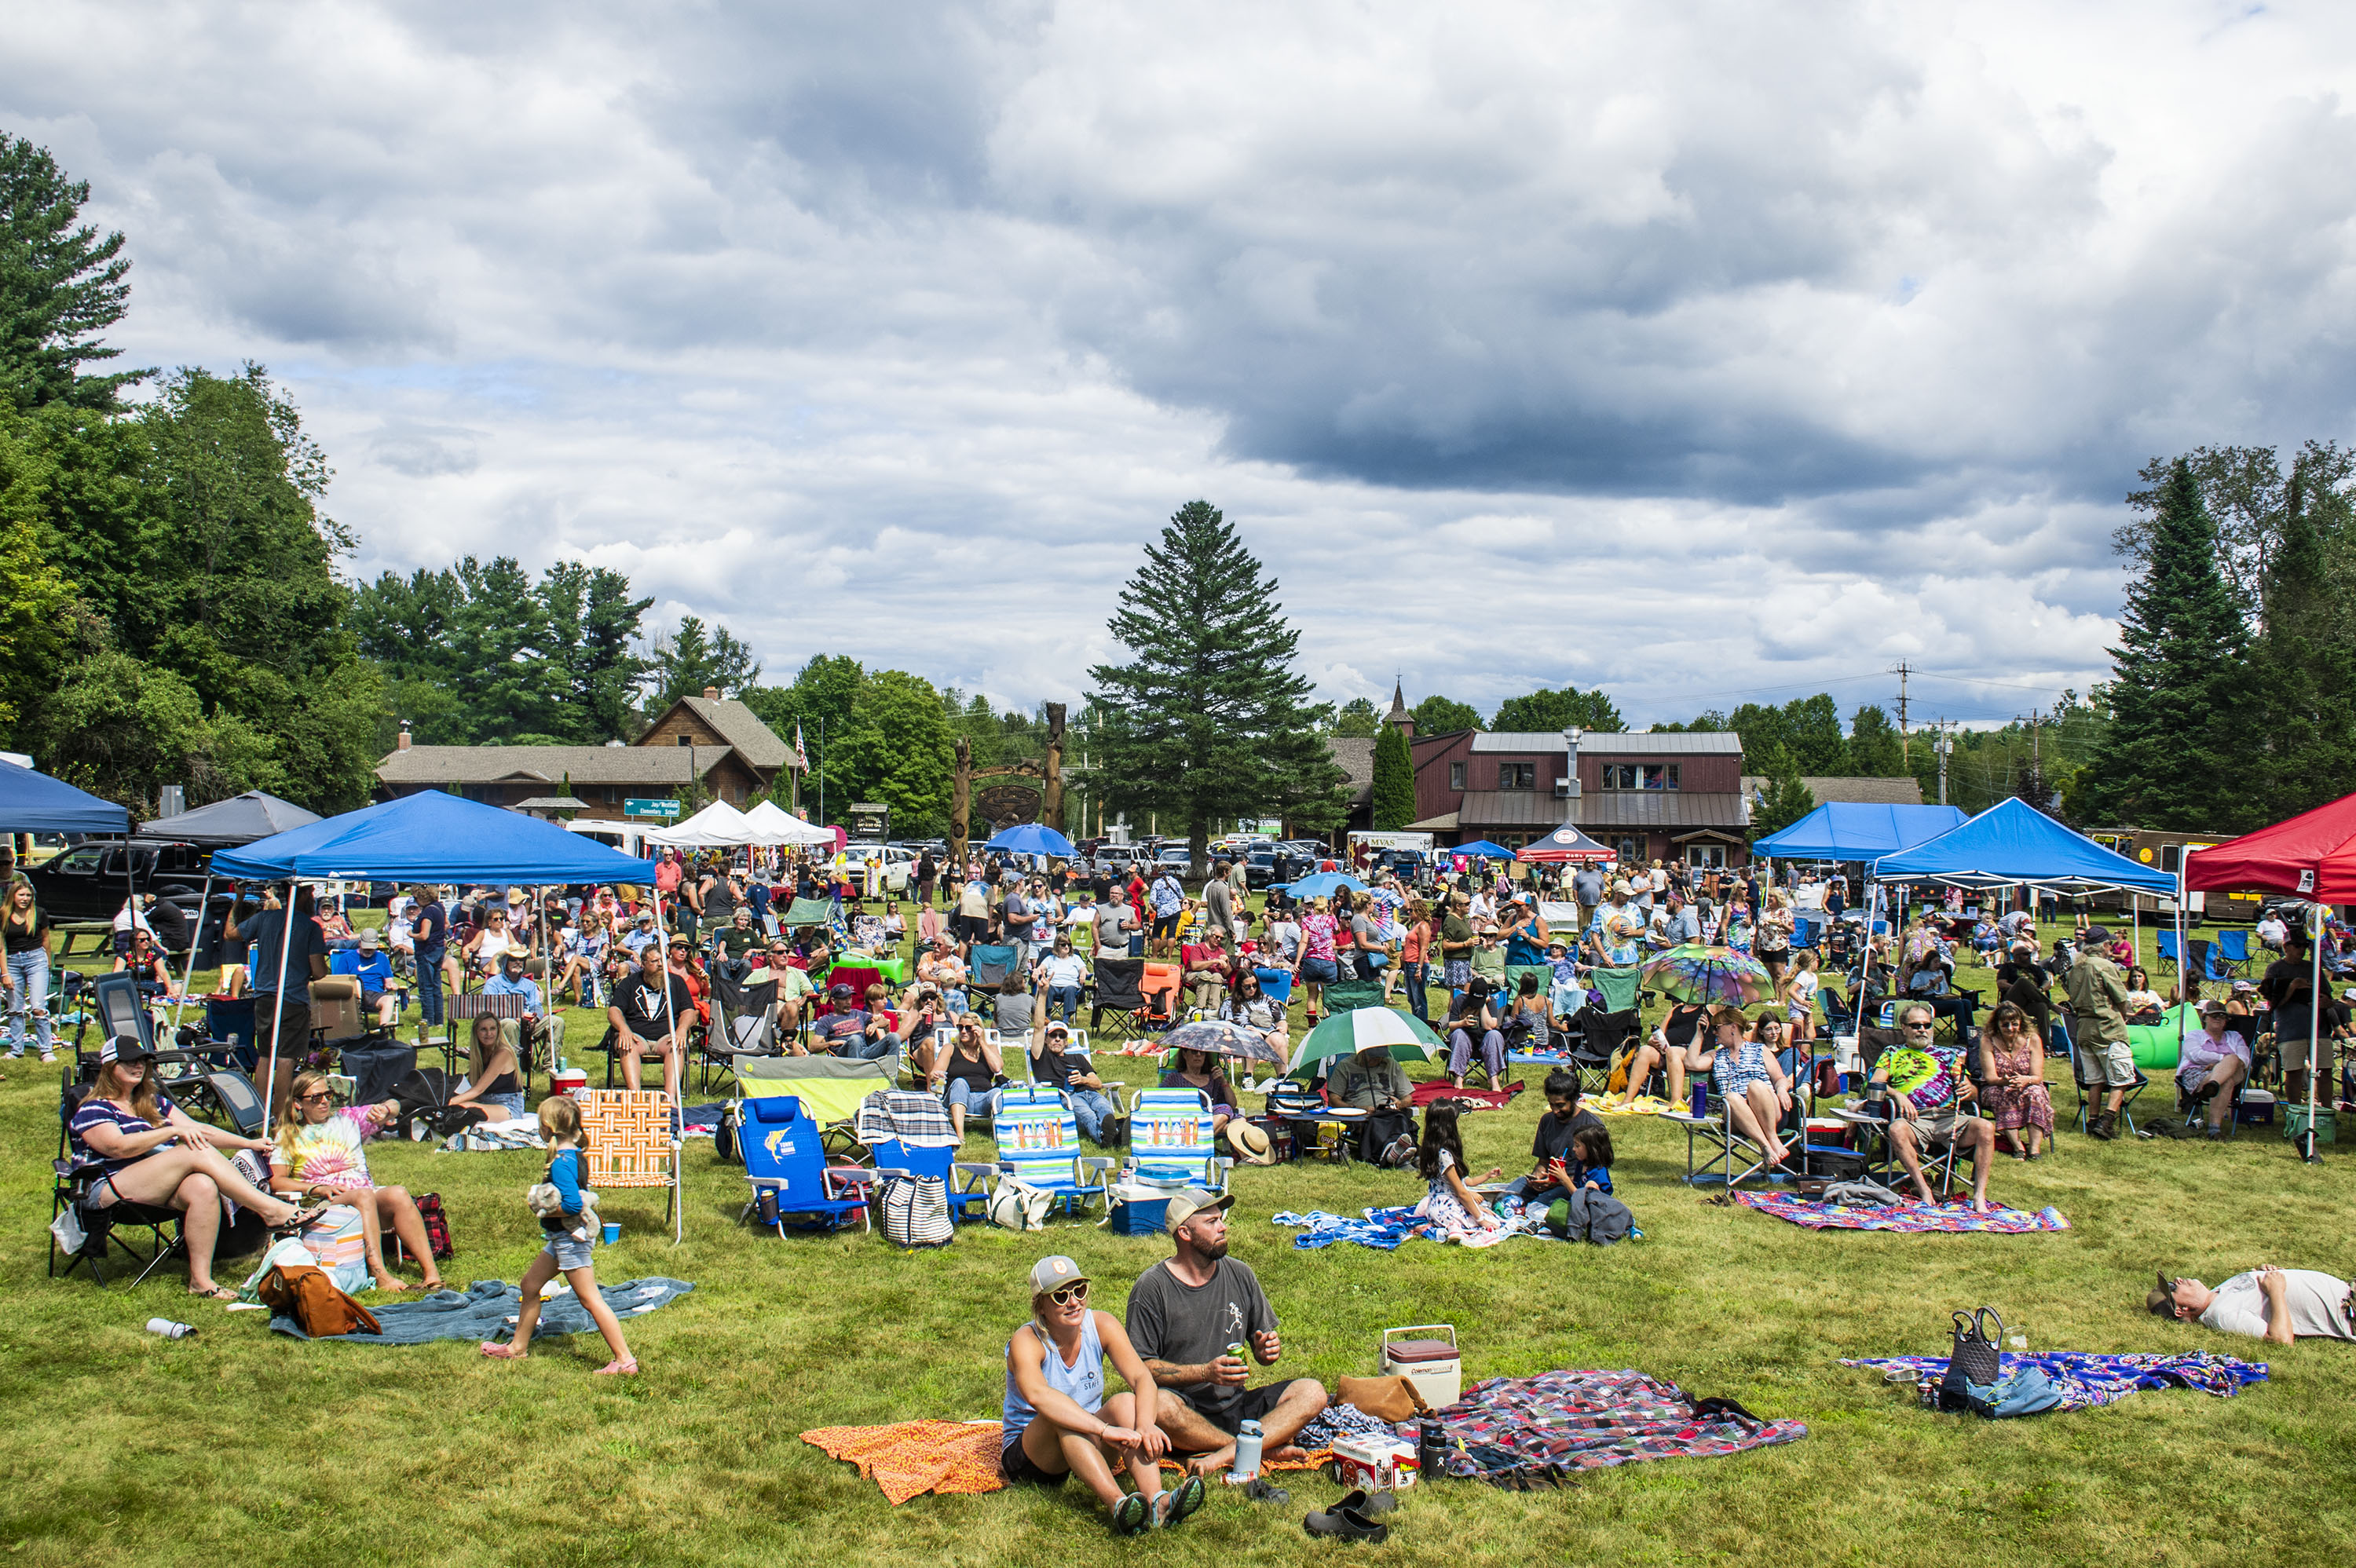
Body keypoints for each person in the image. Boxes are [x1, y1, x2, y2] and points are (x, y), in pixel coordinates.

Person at [68, 1034, 319, 1300]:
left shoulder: (151, 1104)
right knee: (190, 1151)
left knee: (202, 1185)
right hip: (105, 1190)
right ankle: (269, 1209)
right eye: (129, 1061)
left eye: (143, 1060)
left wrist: (250, 1143)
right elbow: (116, 1147)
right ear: (109, 1067)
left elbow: (199, 1131)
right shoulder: (94, 1109)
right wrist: (169, 1132)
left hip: (152, 1188)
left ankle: (201, 1281)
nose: (138, 1066)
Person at [1125, 1190, 1329, 1478]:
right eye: (1211, 1222)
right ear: (1184, 1233)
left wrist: (1266, 1351)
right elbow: (1142, 1370)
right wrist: (1205, 1373)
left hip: (1237, 1406)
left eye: (1221, 1219)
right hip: (1185, 1412)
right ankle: (1257, 1449)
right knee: (1155, 1404)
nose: (1223, 1227)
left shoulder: (1240, 1274)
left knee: (1312, 1392)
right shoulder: (1151, 1288)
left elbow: (1263, 1351)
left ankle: (1227, 1453)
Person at [1004, 1255, 1193, 1535]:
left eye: (1079, 1290)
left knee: (1127, 1403)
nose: (1073, 1301)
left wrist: (1145, 1425)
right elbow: (1038, 1396)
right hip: (1032, 1455)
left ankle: (1157, 1501)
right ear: (1040, 1305)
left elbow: (1143, 1378)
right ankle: (1118, 1505)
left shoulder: (1101, 1324)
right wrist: (1104, 1431)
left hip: (1086, 1443)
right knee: (1061, 1416)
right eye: (1060, 1295)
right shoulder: (1027, 1341)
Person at [480, 1095, 638, 1375]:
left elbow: (573, 1204)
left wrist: (542, 1210)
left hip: (570, 1240)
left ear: (546, 1127)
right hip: (562, 1239)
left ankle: (624, 1360)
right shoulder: (574, 1154)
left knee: (590, 1299)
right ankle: (517, 1348)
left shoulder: (562, 1163)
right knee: (529, 1285)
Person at [268, 1069, 443, 1292]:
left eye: (328, 1095)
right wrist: (317, 1187)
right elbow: (278, 1182)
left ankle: (431, 1275)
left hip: (365, 1199)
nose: (324, 1102)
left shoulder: (348, 1119)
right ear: (298, 1103)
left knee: (398, 1193)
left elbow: (398, 1105)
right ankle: (380, 1274)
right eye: (316, 1097)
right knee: (363, 1195)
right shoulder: (289, 1135)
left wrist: (386, 1109)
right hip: (324, 1205)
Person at [1871, 1003, 1997, 1212]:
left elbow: (1973, 1094)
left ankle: (1979, 1196)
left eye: (1926, 1025)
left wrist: (1970, 1089)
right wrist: (1899, 1095)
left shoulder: (1949, 1056)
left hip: (1950, 1117)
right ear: (1903, 1028)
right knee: (1896, 1129)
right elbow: (1875, 1083)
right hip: (1915, 1119)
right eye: (1915, 1025)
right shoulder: (1892, 1053)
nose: (1922, 1029)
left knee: (1985, 1127)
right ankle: (1924, 1190)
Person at [242, 884, 331, 1106]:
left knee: (265, 1056)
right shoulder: (310, 927)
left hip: (264, 997)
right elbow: (319, 971)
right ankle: (281, 1115)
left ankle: (260, 1113)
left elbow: (231, 933)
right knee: (285, 1058)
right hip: (292, 998)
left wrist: (238, 899)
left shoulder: (265, 918)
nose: (313, 899)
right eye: (310, 893)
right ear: (300, 895)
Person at [2147, 1266, 2354, 1344]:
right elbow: (2280, 1340)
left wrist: (2265, 1272)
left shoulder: (2218, 1293)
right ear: (2180, 1309)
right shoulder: (2221, 1315)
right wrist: (2276, 1291)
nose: (2179, 1279)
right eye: (2173, 1287)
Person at [2063, 929, 2137, 1140]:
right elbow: (2120, 997)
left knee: (2095, 1079)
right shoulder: (2105, 966)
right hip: (2108, 1028)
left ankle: (2093, 1119)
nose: (2112, 948)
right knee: (2122, 1078)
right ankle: (2107, 1121)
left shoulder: (2076, 967)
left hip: (2084, 1028)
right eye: (2110, 945)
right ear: (2104, 945)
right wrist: (2124, 1014)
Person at [608, 943, 692, 1099]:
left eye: (662, 960)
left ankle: (670, 1098)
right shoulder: (630, 983)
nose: (660, 964)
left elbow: (689, 1011)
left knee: (677, 1044)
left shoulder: (676, 982)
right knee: (627, 1044)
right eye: (654, 961)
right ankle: (635, 1097)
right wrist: (623, 1029)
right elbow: (614, 1010)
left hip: (666, 1037)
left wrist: (682, 1029)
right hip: (636, 1036)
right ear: (644, 964)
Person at [1711, 1013, 1795, 1168]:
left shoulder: (1759, 1050)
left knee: (1756, 1085)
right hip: (1737, 1116)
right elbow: (1692, 1062)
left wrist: (1782, 1089)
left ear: (1733, 1028)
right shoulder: (1717, 1055)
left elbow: (1779, 1078)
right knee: (1731, 1098)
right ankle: (1766, 1146)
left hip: (1768, 1110)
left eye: (1716, 1028)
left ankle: (1772, 1138)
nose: (1714, 1032)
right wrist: (1698, 1032)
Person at [1512, 1069, 1605, 1205]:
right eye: (1551, 1104)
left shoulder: (1592, 1126)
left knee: (1537, 1206)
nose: (1555, 1110)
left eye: (1560, 1105)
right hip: (1551, 1182)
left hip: (1573, 1187)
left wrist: (1558, 1182)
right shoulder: (1547, 1121)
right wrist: (1538, 1177)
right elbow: (1543, 1162)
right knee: (1508, 1197)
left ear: (1574, 1099)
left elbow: (1594, 1175)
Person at [1976, 1000, 2054, 1159]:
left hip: (2028, 1084)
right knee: (2002, 1093)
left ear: (2021, 1024)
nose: (2010, 1028)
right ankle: (2018, 1147)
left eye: (2014, 1024)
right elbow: (1991, 1077)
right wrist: (2004, 1082)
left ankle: (2034, 1150)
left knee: (2036, 1093)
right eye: (2005, 1025)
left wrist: (2025, 1080)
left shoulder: (2032, 1040)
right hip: (1996, 1086)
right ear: (1997, 1024)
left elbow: (2037, 1076)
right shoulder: (1987, 1041)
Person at [1418, 1102, 1505, 1238]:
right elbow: (1461, 1193)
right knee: (1494, 1222)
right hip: (1447, 1210)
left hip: (1435, 1207)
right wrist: (1482, 1220)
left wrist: (1488, 1176)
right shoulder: (1445, 1156)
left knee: (1482, 1211)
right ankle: (1454, 1229)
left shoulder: (1431, 1150)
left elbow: (1467, 1183)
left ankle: (1444, 1226)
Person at [1031, 1018, 1122, 1145]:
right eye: (1053, 1035)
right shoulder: (1042, 1058)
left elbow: (1098, 1084)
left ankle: (1112, 1134)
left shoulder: (1078, 1058)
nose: (1057, 1039)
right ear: (1046, 1040)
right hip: (1069, 1097)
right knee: (1087, 1115)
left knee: (1104, 1108)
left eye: (1062, 1036)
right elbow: (1038, 1027)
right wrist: (1042, 996)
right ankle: (1107, 1137)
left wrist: (1082, 1079)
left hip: (1092, 1094)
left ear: (1066, 1042)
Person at [1328, 1040, 1417, 1164]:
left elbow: (1408, 1098)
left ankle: (1394, 1151)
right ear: (1362, 1053)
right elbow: (1333, 1100)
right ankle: (1394, 1152)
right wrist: (1356, 1108)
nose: (1378, 1059)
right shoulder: (1346, 1066)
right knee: (1376, 1122)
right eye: (1374, 1057)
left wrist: (1400, 1104)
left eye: (1381, 1056)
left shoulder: (1391, 1065)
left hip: (1389, 1113)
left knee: (1400, 1118)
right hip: (1361, 1117)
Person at [2175, 999, 2252, 1139]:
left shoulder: (2235, 1037)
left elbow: (2245, 1059)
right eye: (2214, 1015)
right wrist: (2222, 1060)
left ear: (2226, 1020)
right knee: (2227, 1081)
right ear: (2205, 1019)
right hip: (2198, 1073)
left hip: (2232, 1072)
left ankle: (2212, 1086)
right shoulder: (2195, 1035)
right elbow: (2195, 1055)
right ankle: (2214, 1130)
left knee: (2234, 1059)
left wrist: (2221, 1065)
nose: (2218, 1019)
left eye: (2222, 1016)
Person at [927, 1014, 1004, 1139]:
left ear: (978, 1030)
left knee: (997, 1092)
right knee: (960, 1083)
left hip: (982, 1099)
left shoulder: (990, 1048)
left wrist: (982, 1042)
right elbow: (934, 1073)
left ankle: (1002, 1136)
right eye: (960, 1027)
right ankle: (960, 1136)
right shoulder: (950, 1048)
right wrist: (936, 1076)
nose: (963, 1031)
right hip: (956, 1097)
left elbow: (997, 1068)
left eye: (968, 1028)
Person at [0, 880, 52, 1063]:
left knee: (38, 1007)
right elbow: (1, 947)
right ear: (13, 896)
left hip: (36, 959)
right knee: (14, 1008)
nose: (25, 899)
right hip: (13, 962)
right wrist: (4, 973)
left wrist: (48, 963)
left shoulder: (39, 913)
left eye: (28, 895)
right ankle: (16, 1049)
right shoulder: (4, 915)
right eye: (21, 895)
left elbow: (46, 939)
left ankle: (46, 1050)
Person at [485, 948, 565, 1065]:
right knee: (510, 1024)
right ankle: (513, 1069)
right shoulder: (493, 983)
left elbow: (536, 1006)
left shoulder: (530, 985)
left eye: (521, 960)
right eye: (513, 959)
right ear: (505, 962)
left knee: (557, 1022)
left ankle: (549, 1066)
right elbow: (490, 1010)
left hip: (528, 1025)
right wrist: (514, 1016)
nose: (518, 962)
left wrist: (535, 1018)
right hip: (502, 1025)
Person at [448, 1014, 526, 1121]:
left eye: (492, 1029)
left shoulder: (503, 1053)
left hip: (508, 1107)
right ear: (476, 1032)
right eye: (483, 1029)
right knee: (460, 1107)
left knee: (464, 1109)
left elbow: (478, 1089)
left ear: (498, 1030)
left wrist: (450, 1102)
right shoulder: (481, 1052)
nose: (489, 1034)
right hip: (487, 1102)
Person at [1160, 1046, 1238, 1138]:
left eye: (1202, 1053)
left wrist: (1224, 1081)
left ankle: (1198, 1137)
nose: (1198, 1055)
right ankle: (1201, 1139)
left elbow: (1232, 1104)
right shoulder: (1173, 1078)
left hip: (1210, 1117)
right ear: (1184, 1054)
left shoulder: (1213, 1078)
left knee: (1240, 1121)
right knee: (1233, 1124)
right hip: (1185, 1119)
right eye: (1194, 1052)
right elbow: (1161, 1102)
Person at [1444, 977, 1505, 1089]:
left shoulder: (1491, 1002)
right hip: (1465, 1038)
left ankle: (1493, 1079)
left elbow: (1490, 1026)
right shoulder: (1460, 1000)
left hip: (1485, 1040)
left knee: (1495, 1035)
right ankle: (1459, 1079)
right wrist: (1463, 1023)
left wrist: (1483, 1005)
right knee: (1458, 1034)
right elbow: (1451, 1025)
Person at [1218, 970, 1287, 1063]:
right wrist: (1243, 1029)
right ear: (1240, 987)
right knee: (1254, 1036)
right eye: (1247, 987)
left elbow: (1281, 1020)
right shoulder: (1229, 1002)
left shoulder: (1268, 999)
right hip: (1244, 1035)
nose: (1252, 989)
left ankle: (1282, 1076)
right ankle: (1248, 1075)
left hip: (1268, 1033)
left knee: (1277, 1038)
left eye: (1254, 985)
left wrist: (1282, 1028)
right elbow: (1226, 1026)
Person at [1295, 897, 1341, 1024]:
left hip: (1312, 960)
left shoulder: (1307, 921)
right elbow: (1338, 930)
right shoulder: (1331, 920)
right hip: (1328, 960)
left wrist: (1298, 961)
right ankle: (1328, 1022)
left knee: (1311, 996)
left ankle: (1312, 1024)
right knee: (1327, 996)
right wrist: (1333, 913)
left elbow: (1304, 941)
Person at [1183, 928, 1233, 1014]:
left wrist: (1227, 962)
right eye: (1217, 937)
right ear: (1208, 936)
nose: (1219, 940)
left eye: (1221, 938)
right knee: (1205, 975)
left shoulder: (1221, 951)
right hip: (1193, 975)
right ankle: (1200, 1009)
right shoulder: (1198, 948)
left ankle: (1213, 1011)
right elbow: (1194, 966)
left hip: (1212, 977)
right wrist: (1214, 961)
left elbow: (1226, 975)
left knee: (1217, 976)